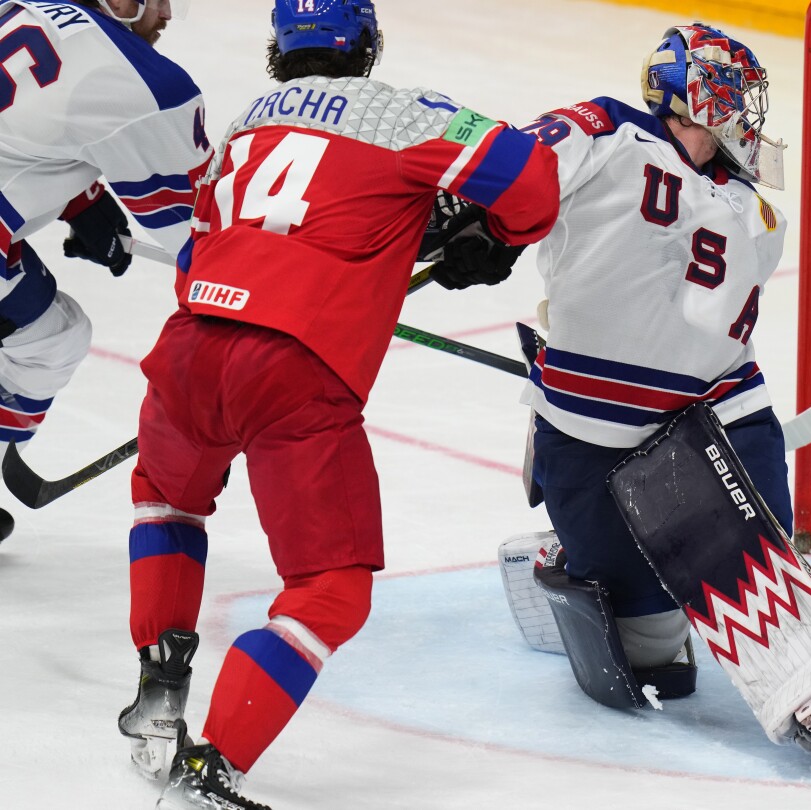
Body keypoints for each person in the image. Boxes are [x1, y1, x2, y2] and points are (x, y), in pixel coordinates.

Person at [116, 1, 559, 807]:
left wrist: (413, 229)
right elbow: (531, 180)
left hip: (185, 349)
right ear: (364, 44)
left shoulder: (245, 126)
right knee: (331, 588)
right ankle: (214, 762)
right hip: (292, 371)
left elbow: (206, 240)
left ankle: (159, 685)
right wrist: (492, 234)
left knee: (165, 503)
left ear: (279, 48)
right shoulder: (396, 110)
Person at [508, 23, 811, 759]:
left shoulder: (756, 210)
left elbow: (690, 321)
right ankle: (568, 553)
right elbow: (510, 168)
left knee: (761, 561)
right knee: (655, 662)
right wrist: (473, 220)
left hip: (716, 408)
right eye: (738, 93)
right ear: (702, 90)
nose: (748, 114)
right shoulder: (601, 131)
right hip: (591, 423)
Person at [0, 0, 209, 536]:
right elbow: (199, 235)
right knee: (52, 340)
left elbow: (26, 128)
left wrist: (84, 202)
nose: (166, 12)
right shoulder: (141, 84)